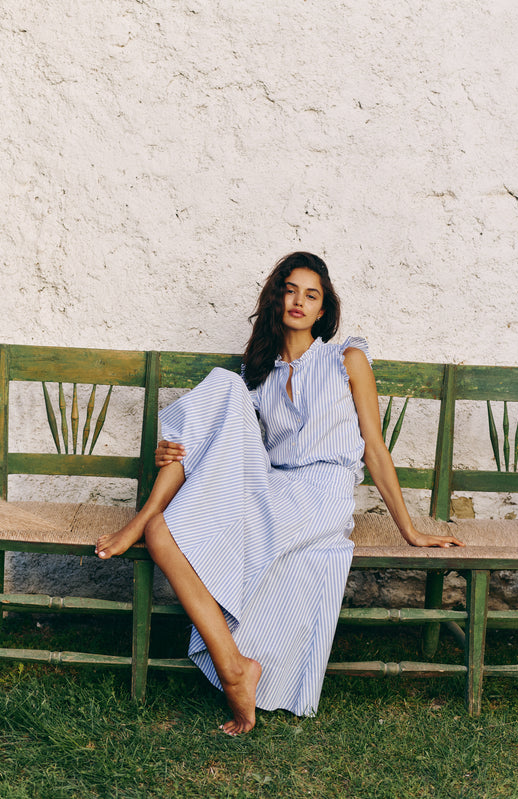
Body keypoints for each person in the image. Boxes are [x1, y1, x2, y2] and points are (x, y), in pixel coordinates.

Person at [95, 251, 463, 735]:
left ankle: (224, 654)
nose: (299, 301)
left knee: (183, 484)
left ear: (322, 309)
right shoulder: (258, 375)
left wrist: (410, 530)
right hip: (271, 485)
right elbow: (228, 441)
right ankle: (233, 663)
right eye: (290, 291)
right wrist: (177, 447)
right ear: (277, 298)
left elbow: (374, 448)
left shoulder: (346, 359)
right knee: (172, 507)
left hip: (322, 493)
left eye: (311, 295)